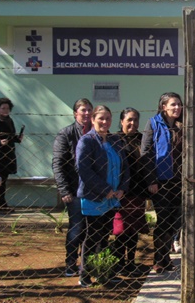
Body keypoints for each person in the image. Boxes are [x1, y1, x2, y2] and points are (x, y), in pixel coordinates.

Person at [76, 105, 129, 288]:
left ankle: (101, 272)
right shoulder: (87, 141)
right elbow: (84, 169)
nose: (105, 122)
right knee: (92, 236)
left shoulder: (115, 140)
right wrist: (104, 189)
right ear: (92, 119)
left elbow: (124, 166)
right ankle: (85, 274)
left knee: (105, 235)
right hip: (95, 196)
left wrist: (122, 188)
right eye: (101, 118)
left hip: (113, 197)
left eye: (108, 118)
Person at [141, 92, 184, 274]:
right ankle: (159, 259)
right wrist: (151, 180)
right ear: (163, 106)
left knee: (175, 221)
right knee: (163, 220)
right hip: (161, 180)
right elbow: (146, 153)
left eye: (179, 105)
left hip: (179, 180)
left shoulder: (182, 126)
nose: (177, 108)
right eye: (173, 104)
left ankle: (166, 258)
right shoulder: (153, 124)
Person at [53, 98, 93, 277]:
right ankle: (70, 263)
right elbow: (58, 163)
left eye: (89, 110)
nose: (86, 113)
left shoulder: (97, 132)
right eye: (83, 110)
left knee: (91, 229)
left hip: (94, 190)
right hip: (75, 189)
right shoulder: (66, 134)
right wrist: (64, 189)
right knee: (76, 228)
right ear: (75, 113)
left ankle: (87, 264)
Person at [113, 107, 152, 276]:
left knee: (134, 229)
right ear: (121, 121)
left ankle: (131, 262)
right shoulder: (115, 140)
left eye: (135, 120)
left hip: (138, 191)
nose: (132, 123)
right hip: (121, 192)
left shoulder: (141, 139)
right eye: (129, 119)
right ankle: (119, 262)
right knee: (121, 228)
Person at [0, 98, 23, 214]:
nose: (6, 110)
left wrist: (17, 138)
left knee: (3, 180)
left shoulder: (9, 120)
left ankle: (1, 204)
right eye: (3, 108)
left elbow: (11, 135)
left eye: (7, 108)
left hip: (8, 154)